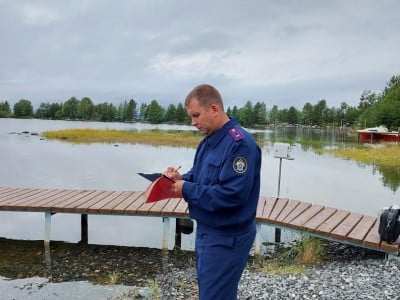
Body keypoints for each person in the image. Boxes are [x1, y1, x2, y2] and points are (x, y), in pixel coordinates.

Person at [164, 84, 261, 300]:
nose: (193, 123)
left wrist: (185, 189)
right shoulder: (209, 141)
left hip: (228, 236)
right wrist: (181, 179)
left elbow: (231, 196)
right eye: (191, 117)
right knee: (215, 294)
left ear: (214, 109)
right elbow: (199, 174)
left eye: (196, 115)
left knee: (214, 296)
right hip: (209, 231)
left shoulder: (240, 145)